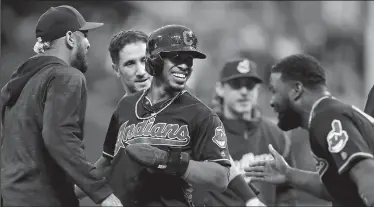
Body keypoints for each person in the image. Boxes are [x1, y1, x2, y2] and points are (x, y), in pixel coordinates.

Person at [99, 24, 235, 207]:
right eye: (177, 58)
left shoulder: (201, 114)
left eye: (189, 60)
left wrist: (171, 161)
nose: (185, 66)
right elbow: (107, 163)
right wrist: (67, 191)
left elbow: (221, 178)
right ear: (154, 61)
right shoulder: (126, 105)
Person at [0, 5, 122, 207]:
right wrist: (102, 192)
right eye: (84, 35)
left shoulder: (18, 84)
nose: (88, 43)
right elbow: (59, 137)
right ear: (70, 38)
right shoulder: (66, 76)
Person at [244, 54, 374, 207]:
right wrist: (288, 174)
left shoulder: (327, 117)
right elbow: (340, 191)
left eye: (274, 91)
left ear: (297, 89)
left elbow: (367, 176)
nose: (272, 102)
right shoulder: (325, 115)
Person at [193, 59, 296, 206]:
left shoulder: (277, 135)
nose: (244, 92)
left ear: (258, 90)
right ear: (220, 89)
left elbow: (287, 192)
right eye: (236, 85)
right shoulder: (204, 134)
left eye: (250, 86)